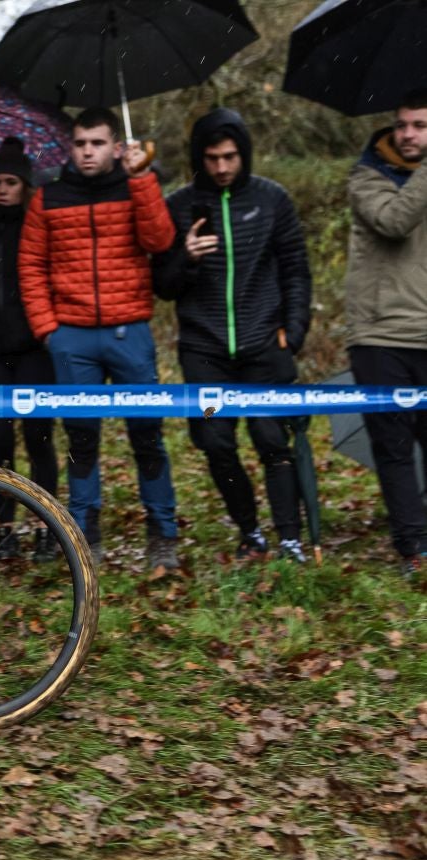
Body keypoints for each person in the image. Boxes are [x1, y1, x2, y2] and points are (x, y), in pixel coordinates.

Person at [19, 106, 179, 572]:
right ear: (71, 146)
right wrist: (50, 330)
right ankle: (86, 535)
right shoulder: (47, 196)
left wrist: (143, 179)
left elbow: (160, 240)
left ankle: (163, 534)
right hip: (71, 337)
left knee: (147, 435)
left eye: (97, 143)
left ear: (115, 145)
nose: (88, 152)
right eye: (80, 143)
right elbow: (31, 266)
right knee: (81, 439)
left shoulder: (135, 185)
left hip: (131, 331)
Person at [153, 109, 313, 564]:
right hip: (204, 351)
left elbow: (297, 270)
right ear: (198, 158)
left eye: (230, 157)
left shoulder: (273, 199)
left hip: (265, 345)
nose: (222, 167)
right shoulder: (178, 205)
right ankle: (250, 531)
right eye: (212, 158)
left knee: (272, 441)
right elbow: (162, 285)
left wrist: (294, 332)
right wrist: (185, 257)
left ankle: (290, 538)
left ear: (243, 153)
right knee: (216, 444)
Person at [345, 89, 427, 581]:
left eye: (419, 125)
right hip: (381, 336)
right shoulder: (366, 175)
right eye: (403, 125)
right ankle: (413, 546)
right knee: (393, 448)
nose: (408, 134)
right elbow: (395, 221)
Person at [0, 138, 59, 561]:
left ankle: (47, 526)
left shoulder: (38, 227)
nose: (3, 189)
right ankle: (5, 527)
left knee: (40, 438)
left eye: (11, 182)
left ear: (25, 185)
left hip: (33, 348)